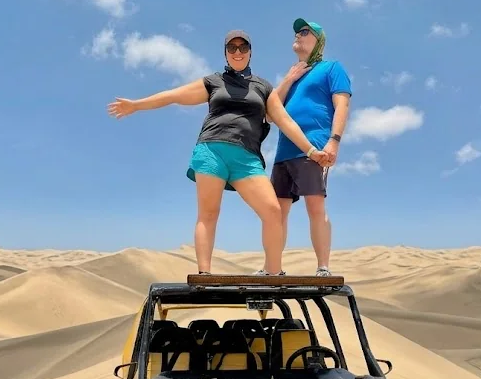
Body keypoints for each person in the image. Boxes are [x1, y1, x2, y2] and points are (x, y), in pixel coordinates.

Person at [107, 29, 330, 277]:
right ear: (225, 52)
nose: (237, 52)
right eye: (231, 48)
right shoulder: (214, 82)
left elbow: (285, 121)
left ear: (250, 52)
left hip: (247, 159)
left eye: (242, 47)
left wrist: (311, 150)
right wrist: (136, 105)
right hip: (211, 151)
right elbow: (173, 96)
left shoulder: (263, 87)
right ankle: (204, 274)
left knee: (273, 211)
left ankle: (274, 274)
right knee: (209, 213)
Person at [267, 18, 352, 277]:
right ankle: (273, 267)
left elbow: (342, 105)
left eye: (305, 31)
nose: (298, 35)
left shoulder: (331, 68)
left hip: (315, 148)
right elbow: (271, 112)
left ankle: (323, 267)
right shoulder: (293, 75)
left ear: (319, 41)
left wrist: (334, 141)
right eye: (296, 31)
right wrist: (287, 79)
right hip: (284, 152)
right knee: (276, 211)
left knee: (315, 207)